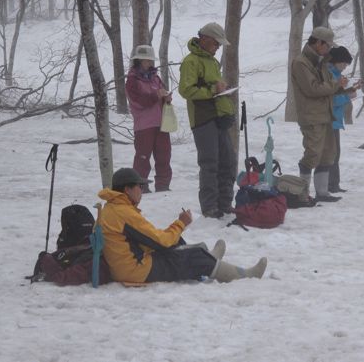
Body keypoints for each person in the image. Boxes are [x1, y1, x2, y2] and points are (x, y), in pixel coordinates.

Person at [98, 167, 267, 283]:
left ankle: (208, 258)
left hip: (126, 266)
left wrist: (175, 230)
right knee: (193, 257)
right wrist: (181, 223)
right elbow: (160, 241)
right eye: (139, 186)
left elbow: (147, 238)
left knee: (178, 243)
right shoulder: (124, 213)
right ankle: (243, 275)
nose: (141, 190)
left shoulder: (113, 208)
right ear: (127, 190)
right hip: (136, 271)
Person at [291, 27, 360, 202]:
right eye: (327, 46)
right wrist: (337, 84)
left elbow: (329, 89)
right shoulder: (301, 62)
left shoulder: (321, 62)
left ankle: (322, 193)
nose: (329, 50)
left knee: (328, 153)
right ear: (318, 42)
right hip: (311, 115)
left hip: (327, 114)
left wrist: (348, 89)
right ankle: (303, 193)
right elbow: (313, 89)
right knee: (312, 153)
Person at [178, 22, 237, 218]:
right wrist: (214, 90)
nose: (218, 48)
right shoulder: (191, 61)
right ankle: (210, 206)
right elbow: (186, 90)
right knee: (210, 163)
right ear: (204, 40)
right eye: (216, 44)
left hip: (219, 117)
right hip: (203, 118)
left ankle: (225, 202)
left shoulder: (212, 61)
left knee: (227, 161)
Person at [125, 45, 172, 193]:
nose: (149, 63)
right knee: (143, 158)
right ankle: (140, 188)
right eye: (146, 60)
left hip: (161, 123)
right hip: (144, 125)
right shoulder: (132, 80)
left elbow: (160, 97)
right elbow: (138, 101)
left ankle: (163, 186)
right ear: (138, 61)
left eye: (150, 60)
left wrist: (166, 98)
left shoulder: (156, 78)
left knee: (164, 156)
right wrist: (156, 96)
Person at [327, 46, 359, 193]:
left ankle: (334, 184)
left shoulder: (337, 76)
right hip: (329, 119)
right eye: (344, 64)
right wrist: (347, 96)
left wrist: (350, 90)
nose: (345, 67)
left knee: (335, 152)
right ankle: (330, 185)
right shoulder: (330, 75)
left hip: (335, 119)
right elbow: (331, 100)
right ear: (337, 61)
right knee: (331, 153)